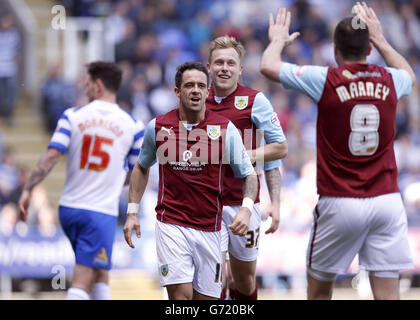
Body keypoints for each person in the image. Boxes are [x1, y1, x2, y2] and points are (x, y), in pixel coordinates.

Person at [260, 2, 416, 300]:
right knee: (388, 296)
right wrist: (381, 38)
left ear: (334, 49)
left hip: (340, 200)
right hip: (386, 200)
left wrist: (278, 41)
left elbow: (268, 66)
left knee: (319, 292)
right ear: (369, 49)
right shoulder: (391, 80)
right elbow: (408, 73)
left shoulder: (326, 79)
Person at [123, 61, 258, 300]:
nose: (195, 90)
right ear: (177, 92)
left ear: (208, 92)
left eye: (200, 86)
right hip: (171, 224)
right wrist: (132, 211)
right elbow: (141, 167)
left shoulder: (225, 129)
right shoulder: (158, 127)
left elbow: (248, 174)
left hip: (211, 229)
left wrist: (247, 209)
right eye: (189, 85)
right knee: (180, 296)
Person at [18, 61, 145, 300]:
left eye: (86, 84)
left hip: (69, 209)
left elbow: (52, 156)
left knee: (101, 273)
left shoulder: (72, 116)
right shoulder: (134, 126)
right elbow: (137, 171)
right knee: (83, 278)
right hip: (98, 212)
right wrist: (117, 183)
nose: (84, 89)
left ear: (98, 85)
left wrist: (29, 188)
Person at [206, 35, 288, 300]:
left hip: (243, 203)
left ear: (240, 69)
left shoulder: (255, 101)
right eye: (218, 62)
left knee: (243, 279)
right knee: (212, 278)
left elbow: (279, 149)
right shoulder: (195, 99)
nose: (224, 68)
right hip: (206, 203)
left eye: (231, 63)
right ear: (209, 66)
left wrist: (275, 202)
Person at [0, 13, 20, 126]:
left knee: (11, 94)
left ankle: (9, 115)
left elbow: (17, 52)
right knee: (2, 94)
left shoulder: (14, 35)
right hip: (1, 68)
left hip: (10, 68)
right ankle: (4, 113)